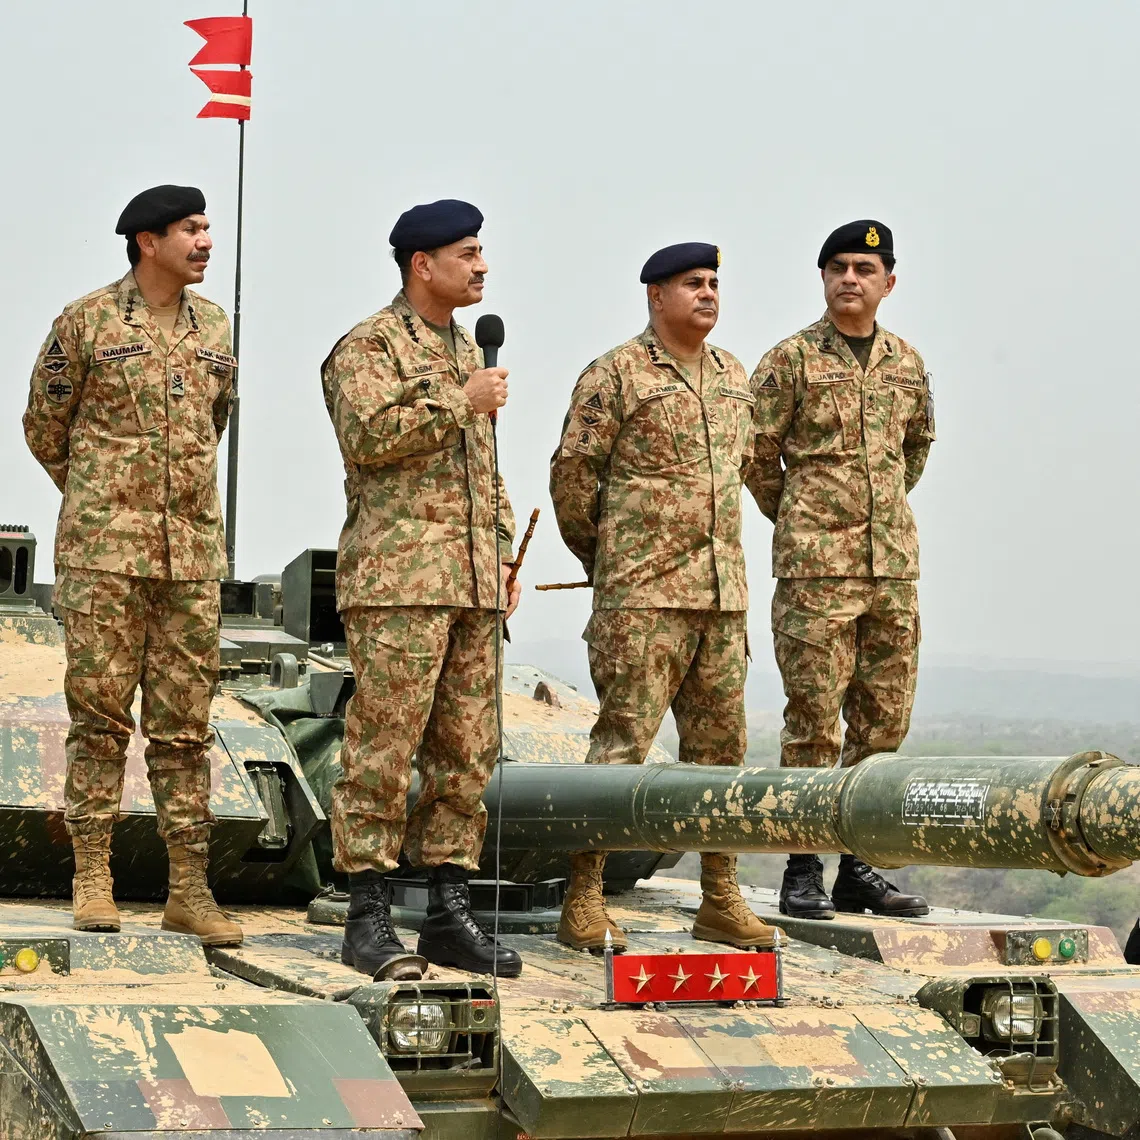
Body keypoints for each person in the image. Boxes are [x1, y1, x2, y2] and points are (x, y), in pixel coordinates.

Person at [23, 184, 241, 946]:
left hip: (190, 562)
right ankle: (93, 876)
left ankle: (189, 888)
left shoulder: (216, 326)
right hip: (104, 558)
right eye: (191, 229)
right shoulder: (85, 322)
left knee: (185, 729)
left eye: (208, 228)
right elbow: (45, 424)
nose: (207, 241)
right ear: (148, 241)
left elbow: (215, 421)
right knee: (100, 720)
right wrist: (99, 498)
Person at [550, 243, 779, 952]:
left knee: (721, 756)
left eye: (714, 283)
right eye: (692, 283)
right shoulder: (615, 373)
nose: (708, 293)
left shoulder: (735, 376)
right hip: (642, 600)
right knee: (621, 747)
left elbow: (751, 468)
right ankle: (582, 899)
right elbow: (573, 478)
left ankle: (720, 897)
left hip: (720, 601)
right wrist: (613, 561)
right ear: (656, 295)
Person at [321, 199, 523, 979]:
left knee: (466, 754)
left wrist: (501, 556)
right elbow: (367, 437)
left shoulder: (469, 346)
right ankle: (366, 914)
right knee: (382, 748)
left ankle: (448, 911)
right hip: (400, 581)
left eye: (482, 252)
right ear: (422, 264)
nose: (481, 266)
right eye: (468, 253)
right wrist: (457, 400)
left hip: (471, 586)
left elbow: (484, 473)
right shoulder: (367, 346)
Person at [748, 220, 935, 920]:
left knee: (883, 721)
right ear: (822, 279)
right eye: (838, 267)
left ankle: (861, 866)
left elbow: (913, 452)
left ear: (889, 281)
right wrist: (802, 518)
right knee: (813, 723)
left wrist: (875, 512)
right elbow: (757, 457)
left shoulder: (907, 364)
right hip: (815, 574)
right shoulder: (789, 360)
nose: (850, 278)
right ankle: (803, 867)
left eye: (864, 267)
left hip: (891, 570)